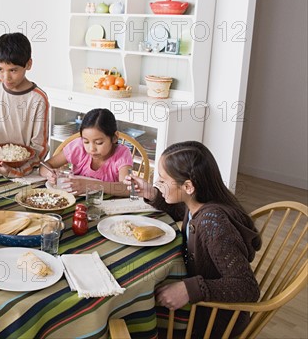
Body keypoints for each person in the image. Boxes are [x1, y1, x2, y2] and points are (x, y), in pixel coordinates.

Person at [127, 141, 261, 338]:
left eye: (163, 181)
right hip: (200, 309)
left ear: (188, 186)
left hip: (210, 323)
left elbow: (247, 287)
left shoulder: (213, 225)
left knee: (134, 314)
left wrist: (189, 290)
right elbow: (183, 211)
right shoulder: (200, 205)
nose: (158, 183)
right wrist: (152, 193)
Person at [0, 32, 49, 177]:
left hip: (20, 175)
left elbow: (40, 147)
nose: (6, 77)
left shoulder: (38, 99)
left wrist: (15, 171)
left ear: (28, 64)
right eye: (0, 69)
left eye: (13, 70)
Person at [40, 108, 132, 196]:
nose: (91, 149)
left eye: (99, 143)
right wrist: (49, 174)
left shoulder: (122, 154)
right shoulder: (78, 147)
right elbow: (44, 166)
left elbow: (127, 188)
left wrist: (92, 185)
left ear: (114, 137)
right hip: (74, 201)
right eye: (86, 142)